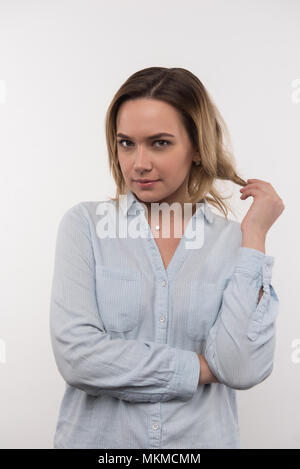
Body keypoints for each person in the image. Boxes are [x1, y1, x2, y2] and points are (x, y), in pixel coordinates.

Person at [49, 67, 284, 449]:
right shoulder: (85, 227)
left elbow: (242, 367)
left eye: (159, 143)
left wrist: (255, 235)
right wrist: (203, 368)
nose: (138, 163)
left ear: (196, 148)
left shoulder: (233, 243)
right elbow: (78, 359)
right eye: (126, 143)